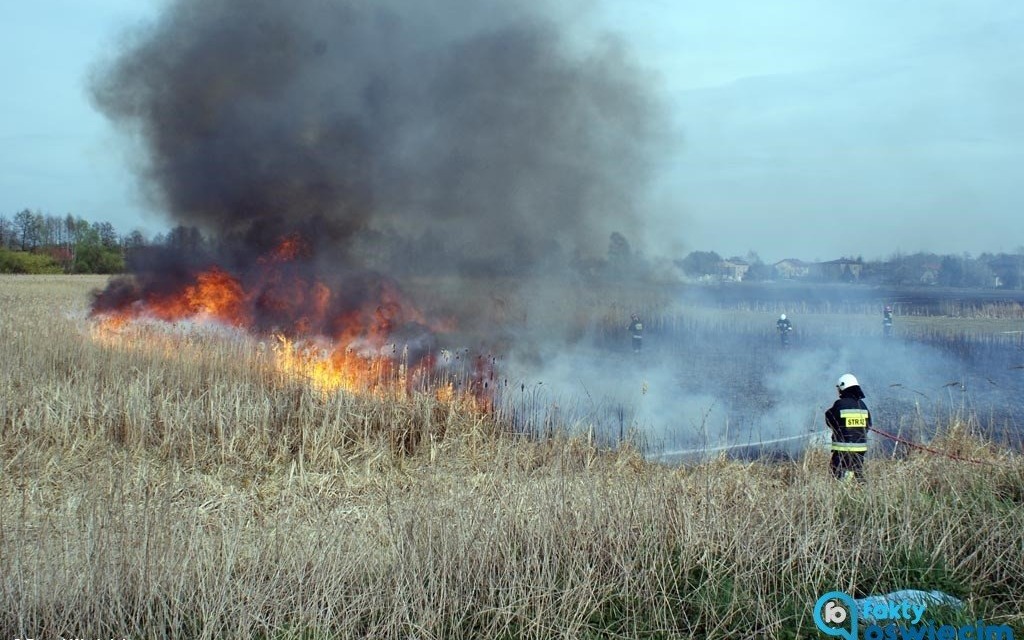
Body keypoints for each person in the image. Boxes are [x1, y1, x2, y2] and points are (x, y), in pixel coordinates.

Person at [825, 373, 871, 480]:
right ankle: (860, 490)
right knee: (856, 473)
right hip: (860, 450)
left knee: (837, 475)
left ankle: (841, 493)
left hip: (842, 449)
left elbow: (829, 420)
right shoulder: (863, 406)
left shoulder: (840, 404)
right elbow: (869, 425)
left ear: (842, 387)